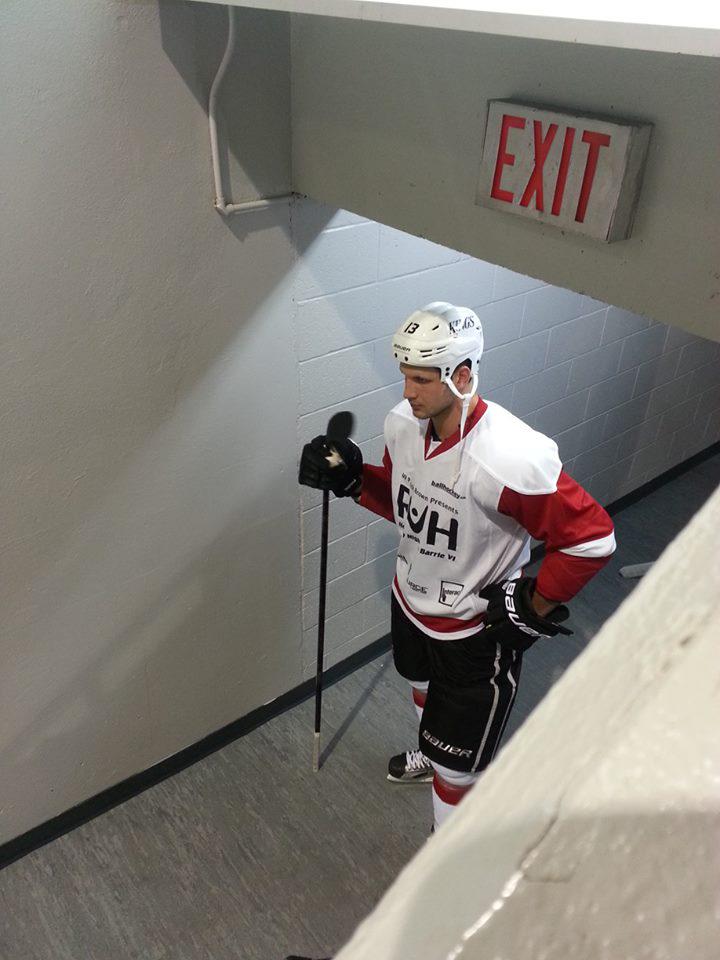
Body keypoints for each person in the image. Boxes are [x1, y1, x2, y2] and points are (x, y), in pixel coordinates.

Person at [299, 301, 616, 831]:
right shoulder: (403, 424)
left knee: (460, 770)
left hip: (472, 631)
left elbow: (592, 539)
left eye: (422, 379)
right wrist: (355, 480)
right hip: (411, 602)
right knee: (420, 684)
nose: (408, 391)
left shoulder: (510, 457)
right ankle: (433, 753)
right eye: (406, 375)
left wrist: (536, 605)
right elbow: (409, 503)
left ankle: (444, 849)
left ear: (462, 375)